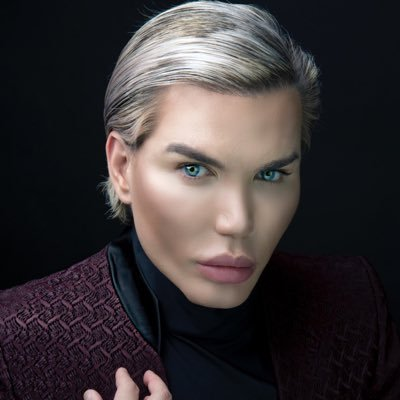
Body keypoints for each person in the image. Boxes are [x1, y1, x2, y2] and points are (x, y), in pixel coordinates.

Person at [1, 1, 399, 399]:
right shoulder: (14, 346)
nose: (238, 221)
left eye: (269, 174)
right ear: (122, 167)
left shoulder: (353, 308)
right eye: (194, 169)